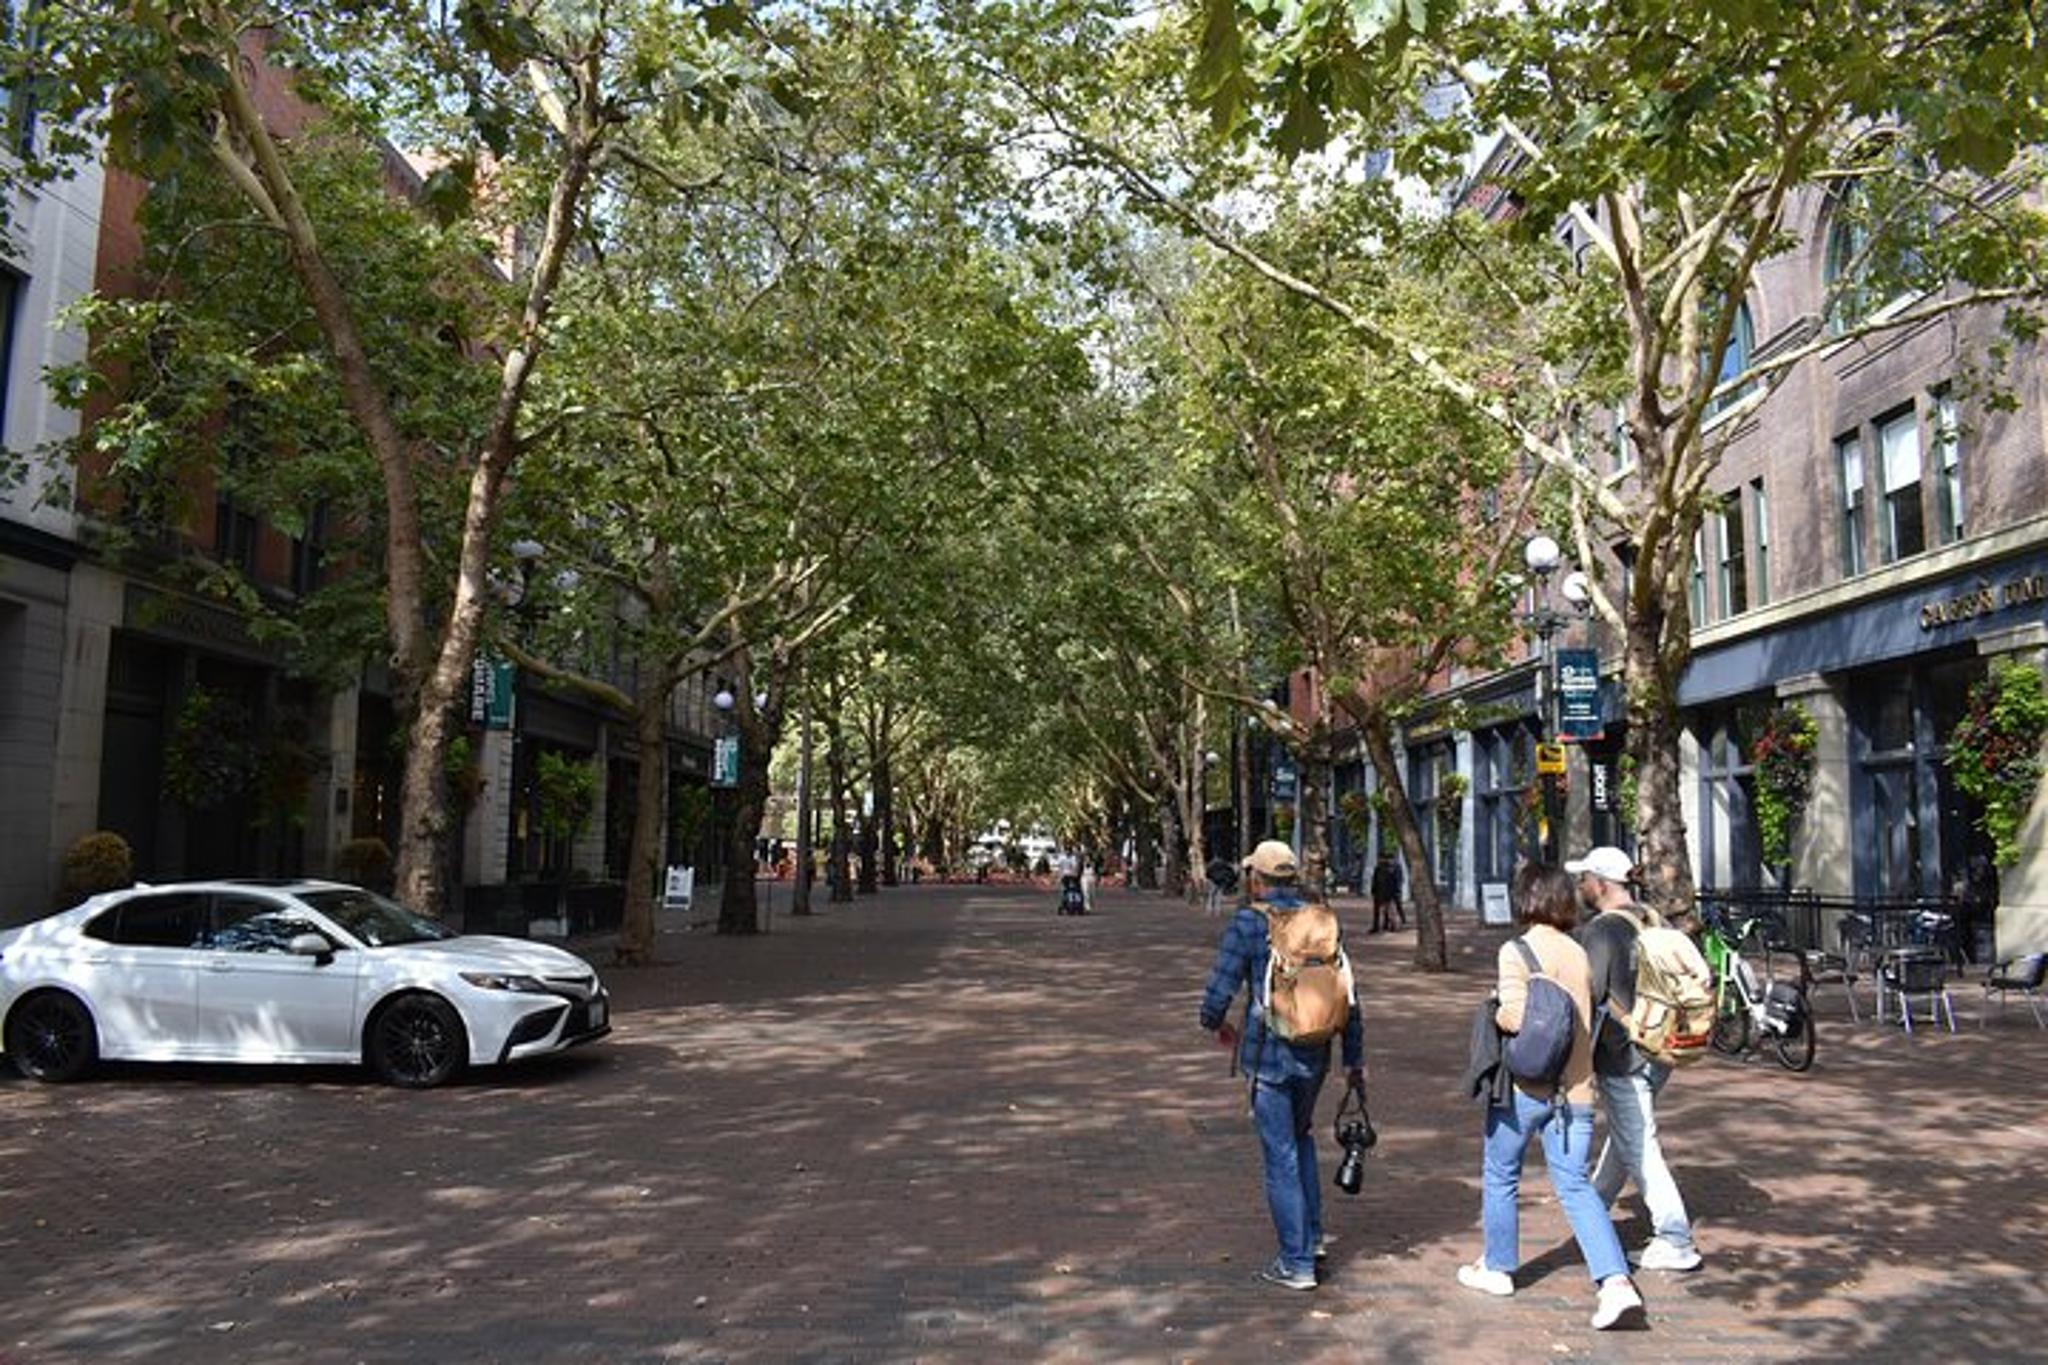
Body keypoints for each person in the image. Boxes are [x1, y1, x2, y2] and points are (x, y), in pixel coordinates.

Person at [1459, 861, 1646, 1331]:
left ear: (1527, 899)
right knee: (1575, 1185)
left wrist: (1497, 1008)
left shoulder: (1516, 951)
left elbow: (1517, 1018)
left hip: (1525, 1088)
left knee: (1501, 1173)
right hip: (1576, 1091)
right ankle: (1616, 1282)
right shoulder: (1578, 949)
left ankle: (1499, 1267)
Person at [1199, 840, 1365, 1292]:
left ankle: (1296, 1262)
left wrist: (1214, 1024)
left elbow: (1219, 990)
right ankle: (1310, 1240)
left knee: (1281, 1157)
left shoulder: (1251, 923)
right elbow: (1348, 993)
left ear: (1257, 879)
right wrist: (1354, 1059)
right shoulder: (1322, 921)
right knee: (1301, 1138)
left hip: (1269, 1055)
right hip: (1316, 1050)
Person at [1572, 844, 1703, 1274]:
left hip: (1621, 1054)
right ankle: (1593, 1208)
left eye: (1585, 877)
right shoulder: (1652, 916)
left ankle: (1675, 1237)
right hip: (1661, 1046)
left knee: (1640, 1144)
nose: (1581, 885)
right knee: (1628, 1135)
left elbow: (1588, 995)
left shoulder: (1601, 931)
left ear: (1602, 883)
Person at [1369, 854, 1404, 934]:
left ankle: (1390, 925)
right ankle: (1379, 926)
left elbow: (1396, 881)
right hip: (1380, 892)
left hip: (1388, 892)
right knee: (1381, 910)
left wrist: (1396, 891)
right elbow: (1375, 880)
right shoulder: (1379, 868)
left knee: (1389, 910)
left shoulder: (1393, 868)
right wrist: (1373, 890)